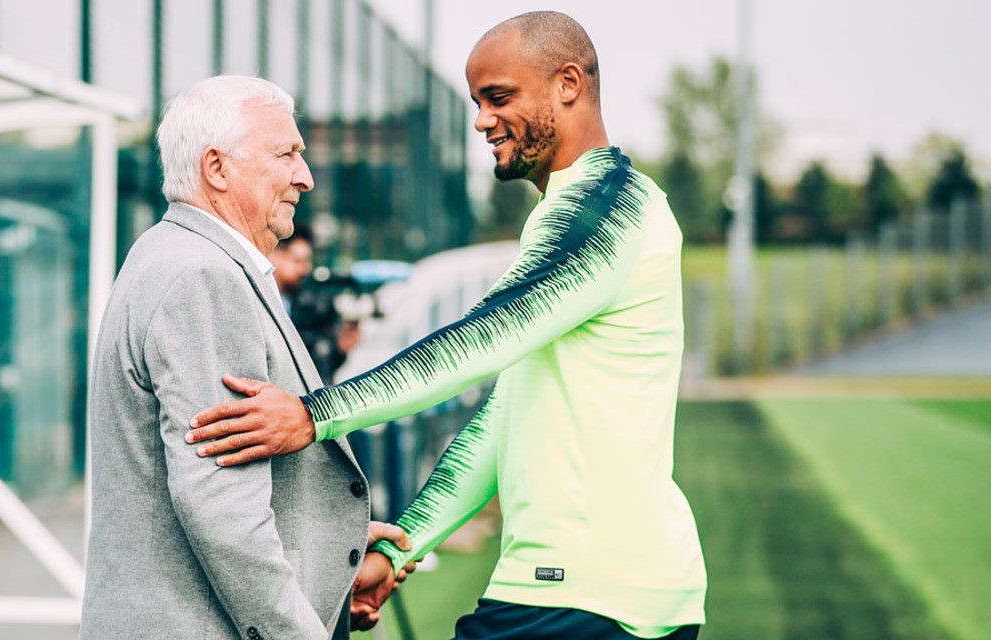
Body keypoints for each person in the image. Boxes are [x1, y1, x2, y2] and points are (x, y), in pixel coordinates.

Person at [188, 11, 706, 639]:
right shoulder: (577, 210)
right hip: (608, 595)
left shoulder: (607, 206)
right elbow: (502, 418)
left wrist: (311, 415)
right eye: (477, 102)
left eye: (499, 97)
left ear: (568, 84)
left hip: (585, 593)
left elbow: (484, 338)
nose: (483, 120)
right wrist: (397, 550)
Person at [80, 75, 410, 640]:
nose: (305, 177)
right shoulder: (203, 275)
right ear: (217, 168)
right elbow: (223, 506)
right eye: (286, 154)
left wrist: (330, 552)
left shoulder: (170, 253)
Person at [270, 224, 361, 384]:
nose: (305, 269)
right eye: (297, 261)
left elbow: (317, 368)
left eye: (307, 262)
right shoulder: (268, 301)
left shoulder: (307, 302)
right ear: (274, 255)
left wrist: (339, 348)